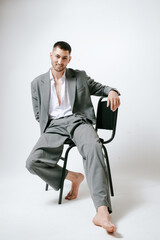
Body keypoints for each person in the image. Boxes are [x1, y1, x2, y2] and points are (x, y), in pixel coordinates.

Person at [26, 41, 120, 233]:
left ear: (69, 58)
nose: (60, 61)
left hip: (78, 121)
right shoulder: (37, 83)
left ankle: (101, 211)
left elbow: (102, 88)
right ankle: (73, 177)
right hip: (54, 126)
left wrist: (112, 91)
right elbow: (38, 114)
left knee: (93, 147)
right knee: (32, 162)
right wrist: (51, 127)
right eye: (57, 56)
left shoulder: (80, 76)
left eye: (64, 57)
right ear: (51, 55)